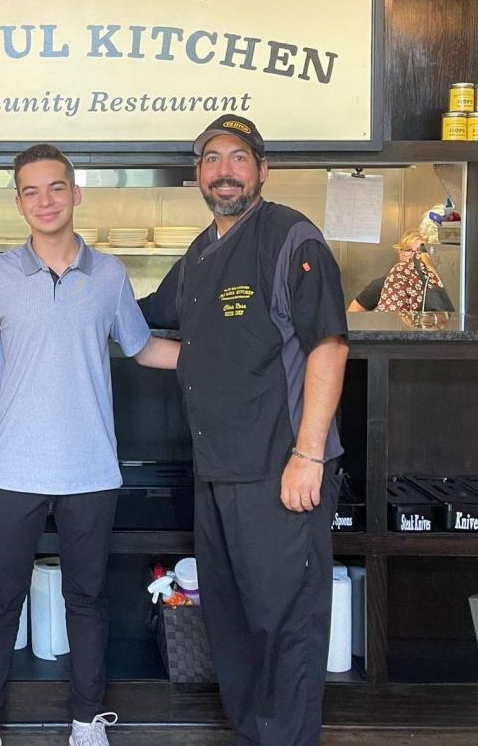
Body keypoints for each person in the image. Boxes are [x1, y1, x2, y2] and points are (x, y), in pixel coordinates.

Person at [0, 144, 180, 746]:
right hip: (13, 469)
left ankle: (85, 722)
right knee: (3, 599)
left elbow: (144, 348)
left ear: (76, 194)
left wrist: (226, 356)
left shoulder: (108, 275)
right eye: (31, 190)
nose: (45, 200)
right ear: (19, 201)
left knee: (87, 599)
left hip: (89, 469)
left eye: (56, 188)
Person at [139, 115, 349, 746]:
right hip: (217, 471)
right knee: (232, 621)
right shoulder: (201, 253)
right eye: (210, 158)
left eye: (237, 157)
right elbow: (152, 329)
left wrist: (308, 455)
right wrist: (67, 297)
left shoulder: (290, 238)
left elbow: (329, 347)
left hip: (278, 466)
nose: (223, 170)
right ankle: (255, 734)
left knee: (284, 621)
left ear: (261, 169)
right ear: (197, 173)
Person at [346, 229, 454, 314]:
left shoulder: (438, 281)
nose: (415, 256)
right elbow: (354, 312)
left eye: (420, 251)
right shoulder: (385, 283)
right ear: (400, 252)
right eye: (408, 250)